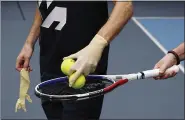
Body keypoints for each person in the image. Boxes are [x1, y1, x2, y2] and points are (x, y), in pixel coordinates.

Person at [16, 1, 133, 120]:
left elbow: (125, 5)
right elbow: (43, 4)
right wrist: (29, 42)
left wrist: (96, 45)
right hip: (49, 65)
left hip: (83, 70)